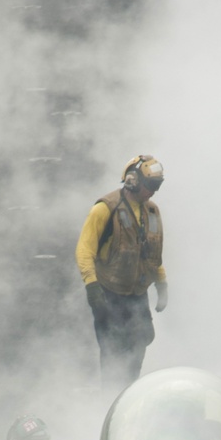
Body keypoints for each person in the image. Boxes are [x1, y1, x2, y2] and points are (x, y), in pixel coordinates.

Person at [76, 154, 168, 386]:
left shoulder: (152, 212)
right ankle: (109, 402)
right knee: (113, 354)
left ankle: (129, 394)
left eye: (158, 185)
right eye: (151, 185)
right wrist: (92, 286)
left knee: (139, 344)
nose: (154, 191)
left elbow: (152, 252)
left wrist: (161, 283)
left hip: (137, 296)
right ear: (133, 181)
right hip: (110, 295)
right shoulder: (105, 209)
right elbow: (84, 250)